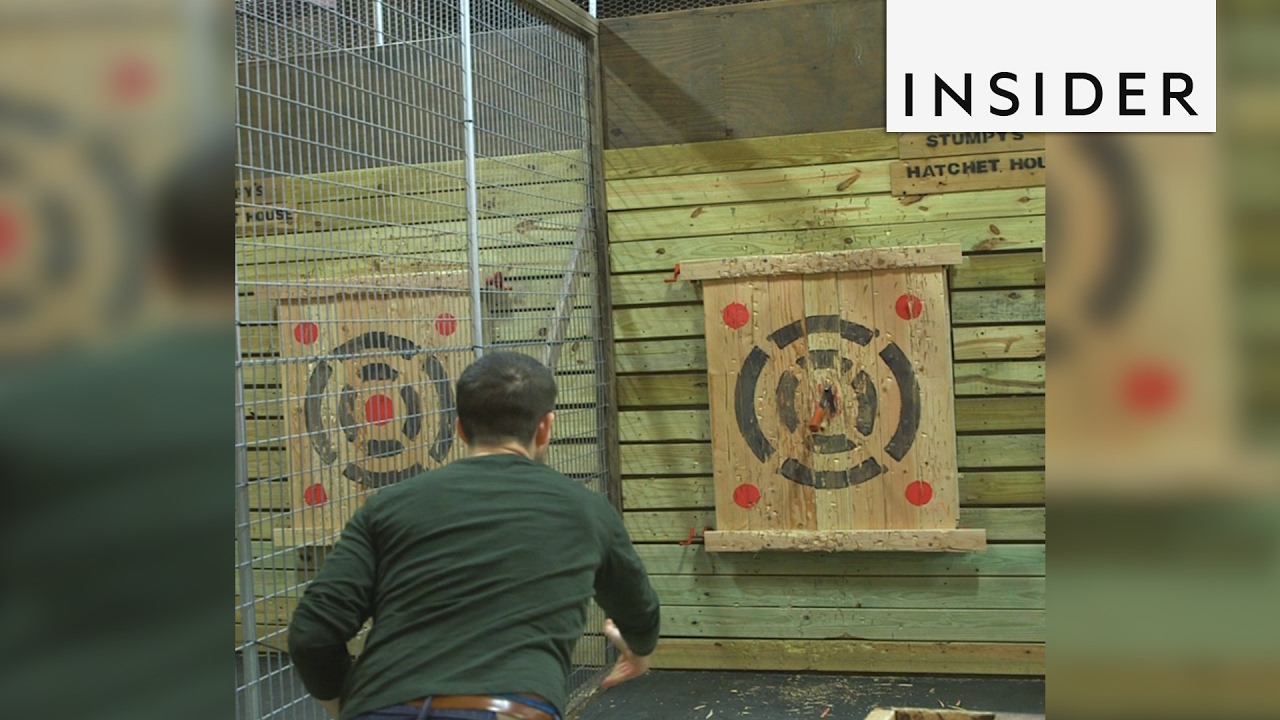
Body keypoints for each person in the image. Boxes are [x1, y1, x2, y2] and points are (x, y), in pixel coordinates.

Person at [287, 351, 661, 720]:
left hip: (381, 704)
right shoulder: (588, 510)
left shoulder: (387, 506)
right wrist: (638, 652)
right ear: (545, 427)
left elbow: (312, 634)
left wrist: (346, 707)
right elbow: (639, 611)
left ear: (459, 428)